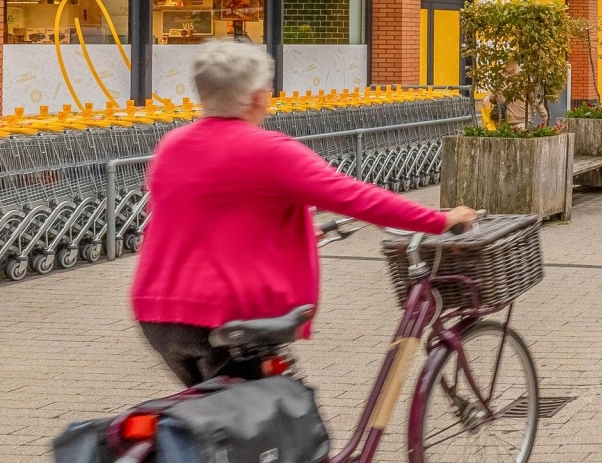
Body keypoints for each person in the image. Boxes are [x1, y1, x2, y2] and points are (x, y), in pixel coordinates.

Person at [131, 40, 478, 387]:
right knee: (279, 413)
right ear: (258, 97)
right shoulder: (271, 151)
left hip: (159, 315)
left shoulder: (172, 145)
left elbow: (198, 221)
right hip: (231, 318)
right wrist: (439, 219)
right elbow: (357, 198)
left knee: (214, 413)